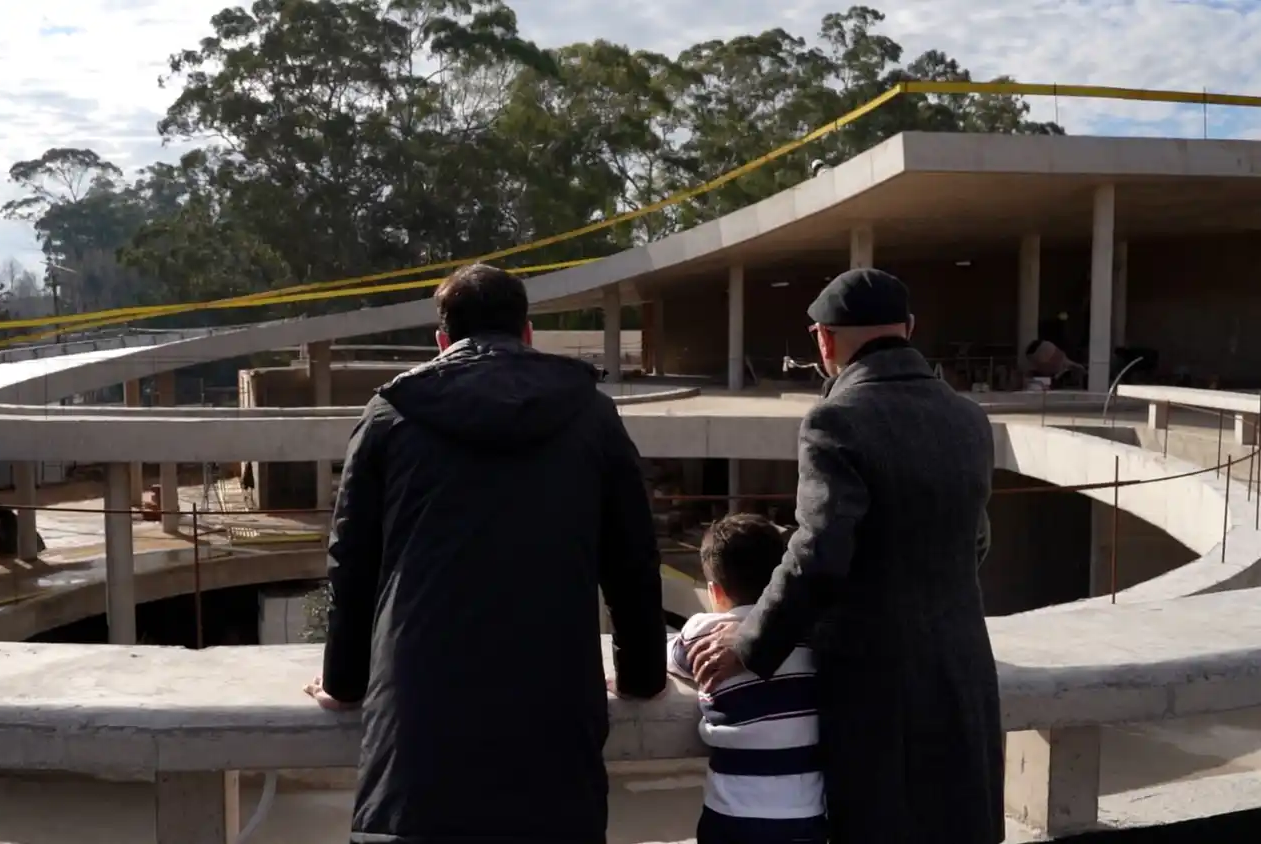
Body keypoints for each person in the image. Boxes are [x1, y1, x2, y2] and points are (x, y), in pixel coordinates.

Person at [305, 263, 669, 844]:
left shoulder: (390, 415)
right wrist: (642, 676)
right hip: (554, 730)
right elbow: (632, 558)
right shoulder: (590, 413)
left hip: (418, 734)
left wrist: (343, 682)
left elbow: (352, 563)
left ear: (441, 341)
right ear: (528, 334)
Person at [686, 267, 1002, 844]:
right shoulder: (969, 418)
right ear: (909, 328)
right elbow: (976, 539)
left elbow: (819, 553)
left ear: (824, 340)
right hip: (962, 671)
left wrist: (752, 641)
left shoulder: (836, 419)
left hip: (876, 688)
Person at [667, 514, 825, 844]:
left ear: (715, 591)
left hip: (731, 816)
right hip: (805, 817)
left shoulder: (703, 633)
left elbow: (673, 659)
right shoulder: (810, 635)